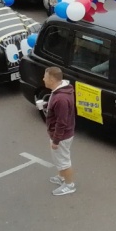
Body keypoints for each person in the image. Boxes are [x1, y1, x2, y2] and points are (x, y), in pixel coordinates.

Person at [41, 66, 76, 196]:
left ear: (51, 79)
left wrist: (56, 140)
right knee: (60, 159)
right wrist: (46, 106)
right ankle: (61, 177)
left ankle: (69, 185)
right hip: (63, 134)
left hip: (61, 136)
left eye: (45, 77)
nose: (43, 79)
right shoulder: (62, 91)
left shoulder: (60, 98)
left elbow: (61, 122)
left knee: (63, 161)